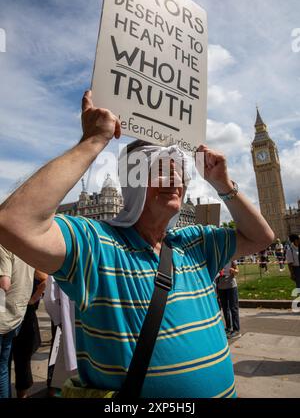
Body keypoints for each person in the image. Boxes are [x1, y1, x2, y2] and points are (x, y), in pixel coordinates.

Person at [0, 90, 274, 398]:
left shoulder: (196, 241)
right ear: (132, 184)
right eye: (159, 169)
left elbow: (261, 237)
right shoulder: (98, 245)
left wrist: (223, 184)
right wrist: (93, 141)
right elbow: (14, 223)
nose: (173, 178)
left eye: (179, 172)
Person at [0, 245, 34, 398]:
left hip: (3, 315)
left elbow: (4, 284)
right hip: (16, 315)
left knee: (2, 368)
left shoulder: (3, 246)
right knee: (3, 367)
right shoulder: (26, 248)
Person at [11, 269, 48, 398]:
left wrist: (32, 300)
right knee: (20, 360)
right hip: (22, 313)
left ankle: (22, 393)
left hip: (22, 314)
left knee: (19, 360)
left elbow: (45, 279)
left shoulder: (24, 259)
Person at [218, 260, 241, 339]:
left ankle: (236, 330)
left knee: (233, 308)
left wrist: (233, 271)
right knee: (225, 308)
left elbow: (237, 271)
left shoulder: (232, 258)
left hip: (231, 286)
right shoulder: (219, 258)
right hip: (221, 286)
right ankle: (228, 328)